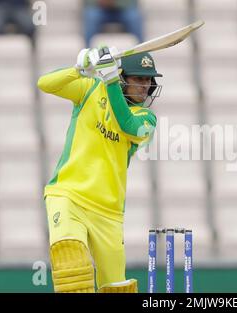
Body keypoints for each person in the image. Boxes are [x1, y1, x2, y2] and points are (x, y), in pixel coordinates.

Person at [37, 46, 162, 293]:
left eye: (148, 80)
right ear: (124, 77)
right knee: (71, 262)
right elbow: (45, 83)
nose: (145, 86)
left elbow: (126, 125)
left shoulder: (147, 119)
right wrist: (79, 68)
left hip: (109, 212)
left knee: (116, 287)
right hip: (68, 195)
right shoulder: (90, 89)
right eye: (138, 78)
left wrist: (112, 80)